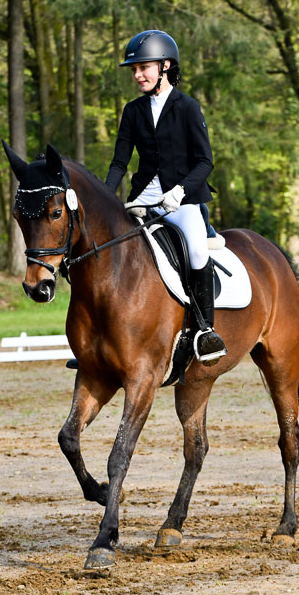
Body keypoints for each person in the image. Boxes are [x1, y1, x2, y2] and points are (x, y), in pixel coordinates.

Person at [105, 29, 227, 364]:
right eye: (134, 70)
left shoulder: (187, 107)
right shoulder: (133, 111)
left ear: (165, 66)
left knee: (197, 250)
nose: (137, 75)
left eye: (143, 67)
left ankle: (206, 331)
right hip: (142, 200)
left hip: (181, 200)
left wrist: (181, 191)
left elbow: (205, 161)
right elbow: (119, 163)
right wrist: (105, 197)